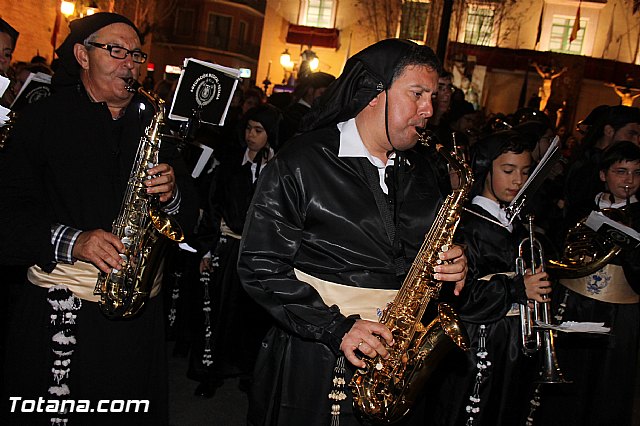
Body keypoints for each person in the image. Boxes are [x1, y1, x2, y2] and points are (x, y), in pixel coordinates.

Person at [237, 38, 468, 426]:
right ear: (374, 92)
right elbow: (260, 264)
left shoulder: (425, 168)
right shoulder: (301, 160)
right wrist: (336, 327)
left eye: (432, 96)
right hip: (315, 356)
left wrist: (459, 261)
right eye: (417, 94)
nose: (429, 109)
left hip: (398, 357)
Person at [0, 13, 197, 425]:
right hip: (63, 310)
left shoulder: (153, 122)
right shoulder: (41, 120)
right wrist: (75, 241)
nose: (130, 63)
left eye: (137, 55)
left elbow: (193, 217)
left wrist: (174, 194)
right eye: (116, 51)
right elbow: (8, 213)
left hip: (138, 314)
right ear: (82, 55)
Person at [426, 130, 551, 425]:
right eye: (507, 171)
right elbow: (460, 297)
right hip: (479, 342)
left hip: (512, 341)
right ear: (485, 168)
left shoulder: (518, 222)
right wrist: (517, 287)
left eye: (525, 171)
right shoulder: (465, 225)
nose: (518, 180)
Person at [536, 141, 640, 426]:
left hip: (620, 311)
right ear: (603, 175)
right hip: (574, 302)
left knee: (608, 382)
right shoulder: (582, 207)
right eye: (621, 171)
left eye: (636, 173)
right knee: (570, 373)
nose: (629, 180)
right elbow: (557, 246)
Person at [189, 104, 281, 397]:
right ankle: (211, 372)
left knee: (253, 317)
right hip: (228, 250)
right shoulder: (230, 165)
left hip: (259, 257)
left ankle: (250, 372)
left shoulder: (278, 169)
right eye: (248, 129)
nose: (251, 136)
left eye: (259, 130)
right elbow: (213, 207)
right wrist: (206, 251)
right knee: (218, 314)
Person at [563, 105, 640, 227]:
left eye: (636, 173)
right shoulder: (586, 166)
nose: (636, 142)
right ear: (609, 131)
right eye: (631, 134)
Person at [280, 71, 335, 144]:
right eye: (322, 93)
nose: (325, 98)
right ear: (310, 90)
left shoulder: (315, 113)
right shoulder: (296, 114)